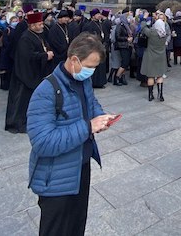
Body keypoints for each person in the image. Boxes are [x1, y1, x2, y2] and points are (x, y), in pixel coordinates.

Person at [27, 33, 117, 236]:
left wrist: (101, 118)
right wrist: (87, 127)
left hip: (80, 167)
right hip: (56, 177)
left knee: (77, 226)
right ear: (75, 60)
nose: (92, 72)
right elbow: (42, 142)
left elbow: (90, 103)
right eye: (90, 66)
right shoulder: (46, 91)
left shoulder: (82, 81)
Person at [6, 12, 55, 133]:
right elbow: (27, 57)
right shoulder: (25, 38)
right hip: (24, 75)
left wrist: (48, 52)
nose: (42, 26)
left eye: (42, 24)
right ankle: (17, 124)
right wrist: (45, 55)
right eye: (39, 24)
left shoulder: (38, 35)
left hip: (35, 73)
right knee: (21, 102)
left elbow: (43, 47)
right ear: (32, 25)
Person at [140, 11, 168, 101]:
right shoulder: (164, 34)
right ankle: (160, 95)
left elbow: (143, 28)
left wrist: (144, 18)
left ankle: (150, 95)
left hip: (151, 56)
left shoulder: (152, 33)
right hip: (161, 57)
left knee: (151, 76)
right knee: (160, 76)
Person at [82, 9, 108, 88]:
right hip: (93, 48)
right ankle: (93, 82)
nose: (99, 15)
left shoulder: (101, 24)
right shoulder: (89, 25)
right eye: (97, 14)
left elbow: (105, 34)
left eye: (99, 14)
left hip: (101, 48)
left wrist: (105, 43)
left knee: (101, 66)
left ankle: (100, 82)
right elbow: (87, 37)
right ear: (93, 16)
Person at [112, 8, 133, 86]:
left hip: (127, 45)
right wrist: (126, 39)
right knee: (124, 63)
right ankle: (116, 77)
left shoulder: (127, 25)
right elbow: (118, 36)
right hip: (123, 46)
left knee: (125, 63)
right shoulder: (120, 26)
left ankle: (121, 77)